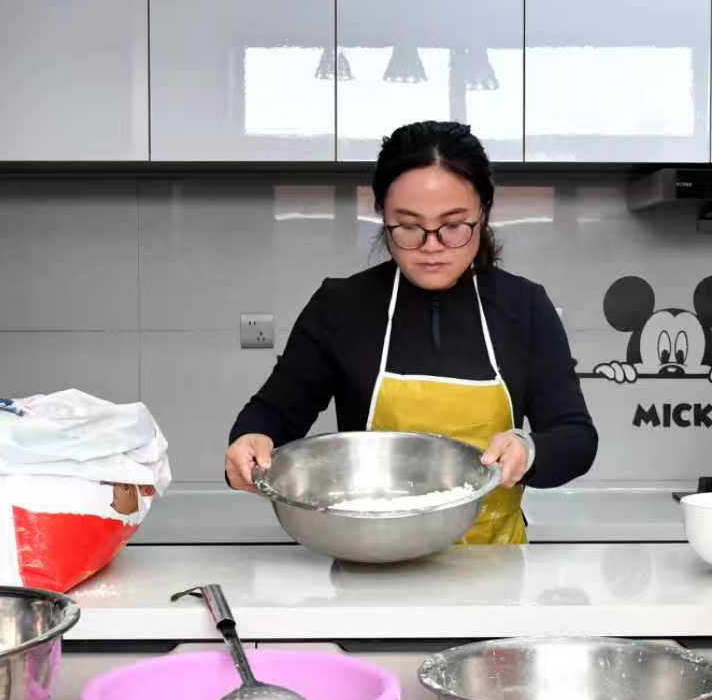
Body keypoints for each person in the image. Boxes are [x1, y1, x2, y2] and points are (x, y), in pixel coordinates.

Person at [224, 121, 596, 543]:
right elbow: (273, 415)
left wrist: (528, 451)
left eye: (453, 225)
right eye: (408, 226)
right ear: (383, 215)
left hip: (498, 565)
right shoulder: (341, 307)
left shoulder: (524, 307)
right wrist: (250, 441)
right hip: (371, 558)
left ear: (484, 213)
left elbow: (575, 438)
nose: (431, 245)